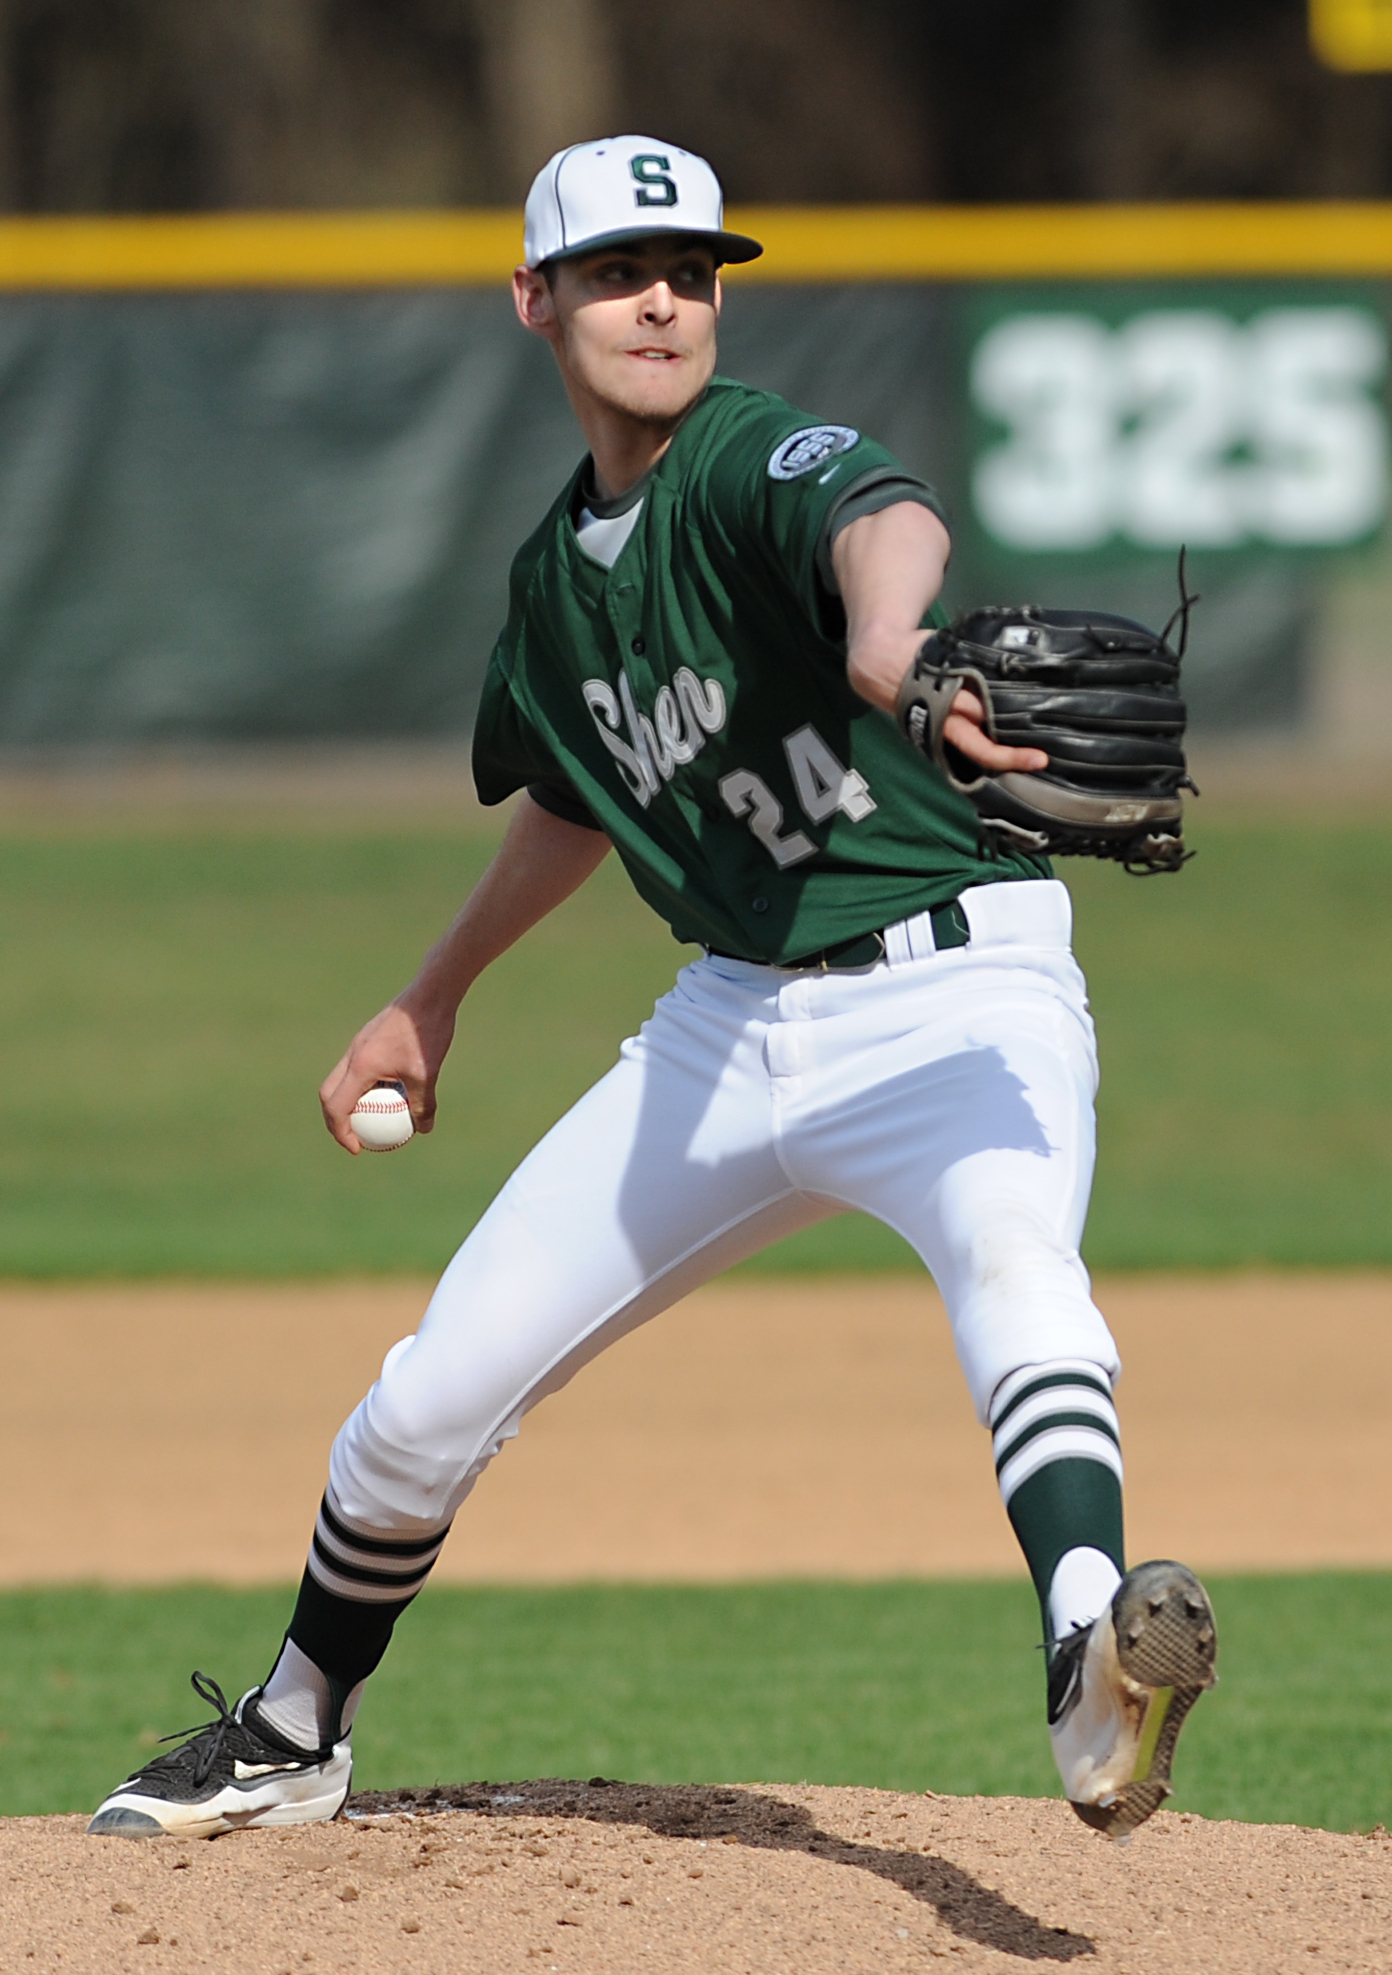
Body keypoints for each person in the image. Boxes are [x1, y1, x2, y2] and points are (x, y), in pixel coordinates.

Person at [89, 135, 1215, 1846]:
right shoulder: (552, 589)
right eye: (621, 271)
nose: (666, 300)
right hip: (731, 1029)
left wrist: (893, 647)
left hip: (959, 992)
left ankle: (1090, 1650)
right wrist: (430, 995)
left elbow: (882, 519)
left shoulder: (755, 456)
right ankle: (296, 1728)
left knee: (1016, 1270)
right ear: (535, 301)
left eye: (691, 270)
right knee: (435, 1390)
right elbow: (575, 794)